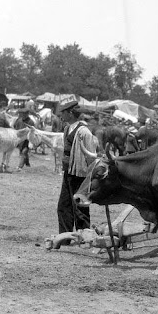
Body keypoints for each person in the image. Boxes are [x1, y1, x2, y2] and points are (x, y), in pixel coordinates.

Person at [56, 101, 99, 244]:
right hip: (68, 172)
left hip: (80, 174)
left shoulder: (84, 132)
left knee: (80, 207)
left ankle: (85, 239)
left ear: (70, 113)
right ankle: (65, 238)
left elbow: (91, 156)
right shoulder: (67, 128)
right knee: (64, 206)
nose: (61, 116)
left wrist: (90, 176)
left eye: (63, 113)